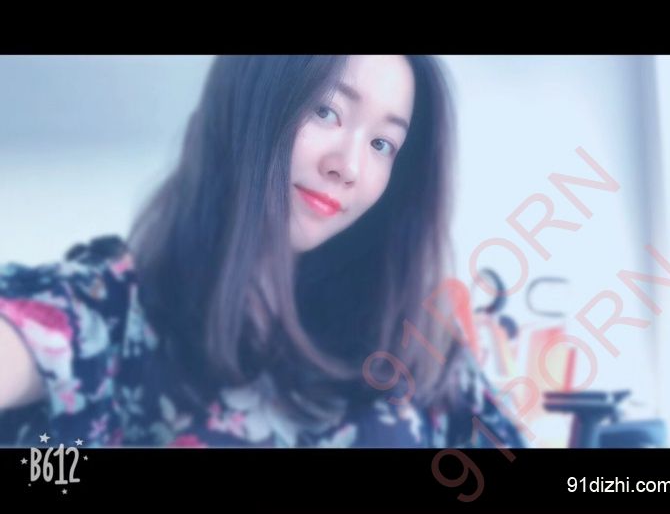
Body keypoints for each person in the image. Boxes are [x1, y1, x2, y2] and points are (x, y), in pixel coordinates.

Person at [0, 55, 524, 448]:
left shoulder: (416, 346)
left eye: (381, 144)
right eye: (326, 111)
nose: (349, 166)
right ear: (251, 101)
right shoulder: (108, 316)